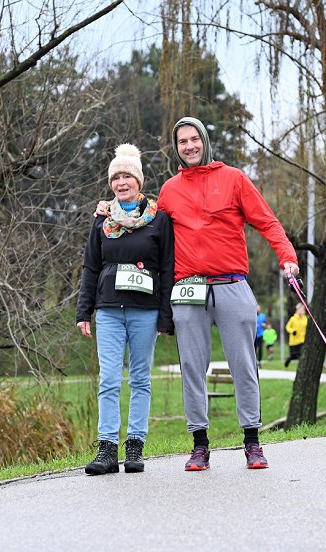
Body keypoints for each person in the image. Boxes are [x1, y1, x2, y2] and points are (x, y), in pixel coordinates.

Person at [97, 117, 298, 471]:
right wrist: (108, 209)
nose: (189, 146)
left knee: (243, 364)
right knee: (191, 367)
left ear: (204, 141)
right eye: (182, 142)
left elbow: (267, 221)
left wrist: (288, 257)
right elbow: (141, 222)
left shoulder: (234, 179)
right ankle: (200, 445)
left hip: (232, 283)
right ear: (176, 148)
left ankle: (252, 441)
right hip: (189, 289)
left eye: (194, 139)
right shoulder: (170, 191)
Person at [76, 144, 175, 476]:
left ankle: (135, 446)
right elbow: (91, 267)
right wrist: (83, 311)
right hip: (108, 310)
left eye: (127, 176)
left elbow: (167, 268)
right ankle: (106, 449)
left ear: (139, 181)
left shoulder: (158, 219)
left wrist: (165, 316)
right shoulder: (102, 220)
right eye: (116, 178)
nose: (121, 182)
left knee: (141, 379)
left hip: (145, 311)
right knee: (108, 379)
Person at [284, 303, 308, 368]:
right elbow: (287, 327)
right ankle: (288, 359)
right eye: (301, 310)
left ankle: (302, 367)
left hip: (302, 340)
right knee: (293, 355)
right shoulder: (293, 319)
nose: (302, 311)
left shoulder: (305, 319)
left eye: (303, 310)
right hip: (293, 341)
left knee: (301, 354)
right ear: (297, 310)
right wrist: (292, 331)